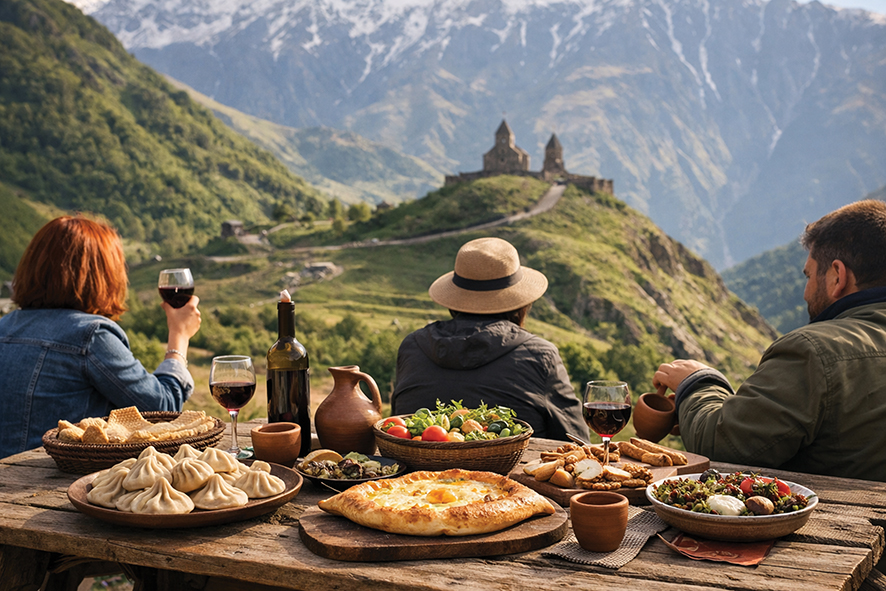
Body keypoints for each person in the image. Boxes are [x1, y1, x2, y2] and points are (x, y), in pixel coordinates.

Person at [654, 199, 886, 480]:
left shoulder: (812, 353)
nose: (805, 292)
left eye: (810, 275)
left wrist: (697, 383)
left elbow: (725, 447)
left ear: (837, 276)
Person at [0, 216, 202, 459]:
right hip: (58, 483)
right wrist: (179, 335)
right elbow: (162, 411)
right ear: (103, 275)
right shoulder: (91, 335)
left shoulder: (5, 325)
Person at [391, 237, 587, 441]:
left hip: (417, 473)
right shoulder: (540, 355)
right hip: (513, 471)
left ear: (454, 301)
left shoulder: (412, 346)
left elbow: (396, 429)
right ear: (521, 304)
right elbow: (577, 442)